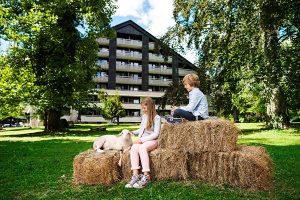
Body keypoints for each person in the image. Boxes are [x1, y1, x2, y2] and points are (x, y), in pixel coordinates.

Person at [125, 97, 161, 189]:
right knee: (134, 147)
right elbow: (142, 130)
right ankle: (135, 176)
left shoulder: (157, 118)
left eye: (144, 108)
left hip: (153, 141)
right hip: (144, 140)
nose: (143, 110)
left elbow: (156, 134)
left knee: (142, 148)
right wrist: (133, 132)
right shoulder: (144, 117)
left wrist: (142, 140)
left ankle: (146, 176)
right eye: (142, 108)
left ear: (150, 107)